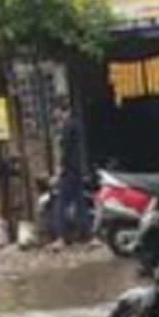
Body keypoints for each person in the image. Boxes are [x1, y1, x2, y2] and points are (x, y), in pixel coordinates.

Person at [48, 98, 92, 249]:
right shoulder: (76, 125)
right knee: (80, 204)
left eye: (55, 111)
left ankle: (60, 238)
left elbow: (66, 152)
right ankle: (89, 237)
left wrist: (58, 172)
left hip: (69, 171)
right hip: (77, 171)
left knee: (60, 204)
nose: (54, 114)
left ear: (60, 110)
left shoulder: (68, 127)